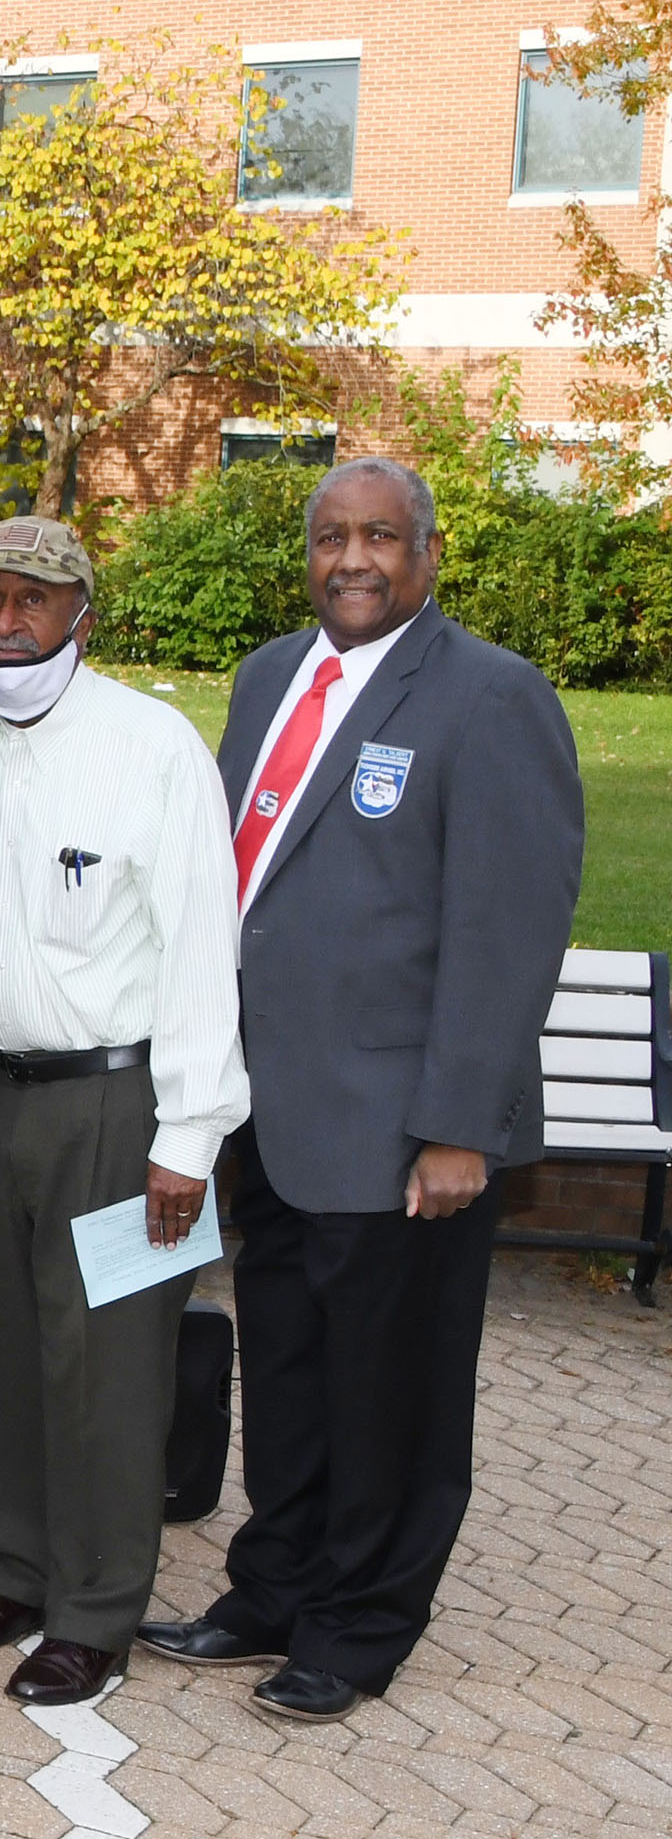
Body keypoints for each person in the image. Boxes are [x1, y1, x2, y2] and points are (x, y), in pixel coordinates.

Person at [139, 459, 582, 1723]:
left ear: (428, 554)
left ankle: (362, 1623)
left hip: (400, 1129)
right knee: (285, 1369)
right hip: (271, 1115)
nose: (353, 558)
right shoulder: (272, 674)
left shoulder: (493, 697)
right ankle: (273, 1585)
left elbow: (508, 929)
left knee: (392, 1388)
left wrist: (458, 1124)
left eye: (380, 536)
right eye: (332, 535)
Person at [0, 516, 247, 1708]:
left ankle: (98, 1611)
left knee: (107, 1366)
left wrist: (191, 1137)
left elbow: (201, 950)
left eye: (34, 600)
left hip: (119, 1107)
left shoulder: (152, 746)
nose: (7, 621)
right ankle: (10, 1571)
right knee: (1, 1351)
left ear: (83, 614)